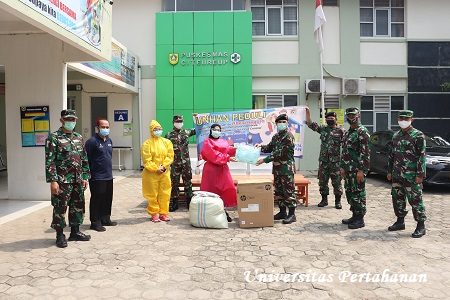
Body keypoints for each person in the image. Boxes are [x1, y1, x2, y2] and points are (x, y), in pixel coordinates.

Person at [45, 109, 91, 248]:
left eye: (73, 119)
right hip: (62, 181)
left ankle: (75, 232)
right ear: (61, 120)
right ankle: (60, 235)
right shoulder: (53, 138)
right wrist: (53, 180)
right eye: (68, 119)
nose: (71, 122)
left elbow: (84, 158)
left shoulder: (78, 137)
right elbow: (50, 161)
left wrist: (85, 176)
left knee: (77, 206)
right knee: (60, 207)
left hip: (77, 180)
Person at [387, 110, 427, 238]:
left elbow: (422, 156)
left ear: (412, 120)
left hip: (412, 175)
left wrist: (420, 175)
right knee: (397, 198)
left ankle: (421, 226)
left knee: (415, 200)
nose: (403, 121)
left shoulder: (418, 135)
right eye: (401, 118)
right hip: (397, 174)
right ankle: (400, 221)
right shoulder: (396, 135)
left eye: (406, 118)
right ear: (398, 119)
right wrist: (389, 171)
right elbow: (391, 155)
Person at [256, 114, 297, 224]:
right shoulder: (276, 136)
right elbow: (269, 147)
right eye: (279, 122)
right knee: (279, 191)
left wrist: (264, 160)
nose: (281, 124)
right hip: (277, 168)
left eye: (284, 122)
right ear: (276, 124)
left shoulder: (288, 136)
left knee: (289, 191)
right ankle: (282, 212)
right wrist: (260, 146)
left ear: (287, 123)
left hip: (286, 168)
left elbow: (280, 153)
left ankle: (292, 214)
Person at [305, 108, 345, 209]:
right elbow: (310, 124)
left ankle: (337, 201)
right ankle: (324, 200)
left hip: (336, 162)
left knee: (336, 181)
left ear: (336, 119)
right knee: (322, 181)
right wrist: (308, 114)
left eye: (332, 118)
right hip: (324, 161)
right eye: (328, 118)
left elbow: (347, 146)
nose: (330, 119)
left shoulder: (341, 131)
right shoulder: (323, 129)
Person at [340, 108, 370, 229]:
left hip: (357, 170)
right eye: (349, 115)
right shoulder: (348, 132)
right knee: (350, 192)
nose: (351, 118)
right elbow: (345, 152)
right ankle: (354, 215)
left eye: (353, 115)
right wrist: (342, 167)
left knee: (358, 193)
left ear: (358, 116)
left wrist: (362, 170)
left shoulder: (362, 132)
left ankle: (360, 219)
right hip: (348, 170)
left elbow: (366, 153)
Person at [200, 124, 237, 222]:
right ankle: (210, 213)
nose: (217, 131)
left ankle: (223, 211)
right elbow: (213, 155)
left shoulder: (223, 141)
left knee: (227, 188)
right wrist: (227, 158)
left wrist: (238, 150)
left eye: (219, 129)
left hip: (223, 169)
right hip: (211, 170)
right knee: (211, 191)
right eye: (215, 129)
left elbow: (228, 150)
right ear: (211, 130)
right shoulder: (207, 142)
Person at [85, 118, 116, 232]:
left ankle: (106, 218)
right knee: (97, 199)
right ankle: (95, 222)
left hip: (108, 176)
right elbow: (86, 159)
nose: (105, 129)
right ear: (97, 128)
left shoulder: (109, 140)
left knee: (107, 198)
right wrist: (87, 175)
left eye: (107, 127)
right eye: (103, 127)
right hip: (97, 177)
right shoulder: (92, 142)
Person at [141, 120, 174, 222]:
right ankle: (154, 213)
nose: (158, 131)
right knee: (152, 194)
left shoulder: (167, 142)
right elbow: (147, 160)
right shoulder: (147, 144)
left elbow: (170, 156)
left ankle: (163, 213)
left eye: (159, 129)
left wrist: (163, 167)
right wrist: (156, 168)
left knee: (165, 193)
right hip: (151, 174)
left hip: (164, 172)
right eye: (155, 129)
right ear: (151, 130)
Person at [165, 115, 196, 211]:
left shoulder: (187, 132)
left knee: (188, 182)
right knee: (174, 183)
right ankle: (174, 203)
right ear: (173, 122)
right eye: (177, 121)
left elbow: (198, 129)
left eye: (181, 121)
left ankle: (189, 202)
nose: (179, 123)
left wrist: (197, 119)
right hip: (174, 163)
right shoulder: (168, 135)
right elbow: (165, 149)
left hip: (186, 163)